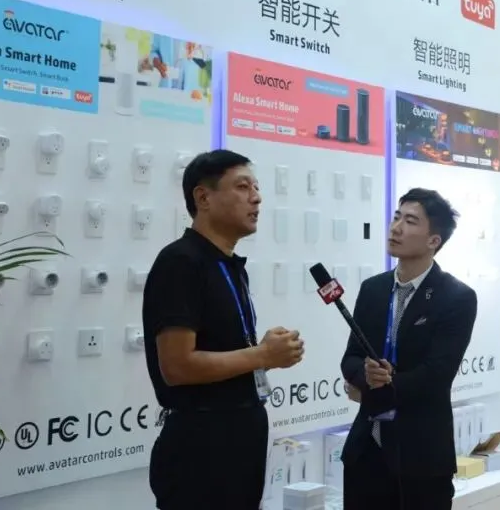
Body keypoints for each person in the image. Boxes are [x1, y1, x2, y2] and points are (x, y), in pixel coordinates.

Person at [143, 150, 305, 510]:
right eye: (243, 187)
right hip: (202, 446)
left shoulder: (229, 265)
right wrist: (263, 354)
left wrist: (266, 354)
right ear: (203, 198)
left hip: (239, 437)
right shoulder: (181, 262)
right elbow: (177, 366)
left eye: (256, 188)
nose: (256, 198)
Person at [339, 188, 478, 510]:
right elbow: (351, 357)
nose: (396, 228)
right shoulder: (373, 289)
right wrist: (364, 375)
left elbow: (437, 375)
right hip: (367, 451)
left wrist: (378, 386)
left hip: (422, 457)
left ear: (434, 240)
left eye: (411, 221)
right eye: (396, 217)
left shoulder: (456, 297)